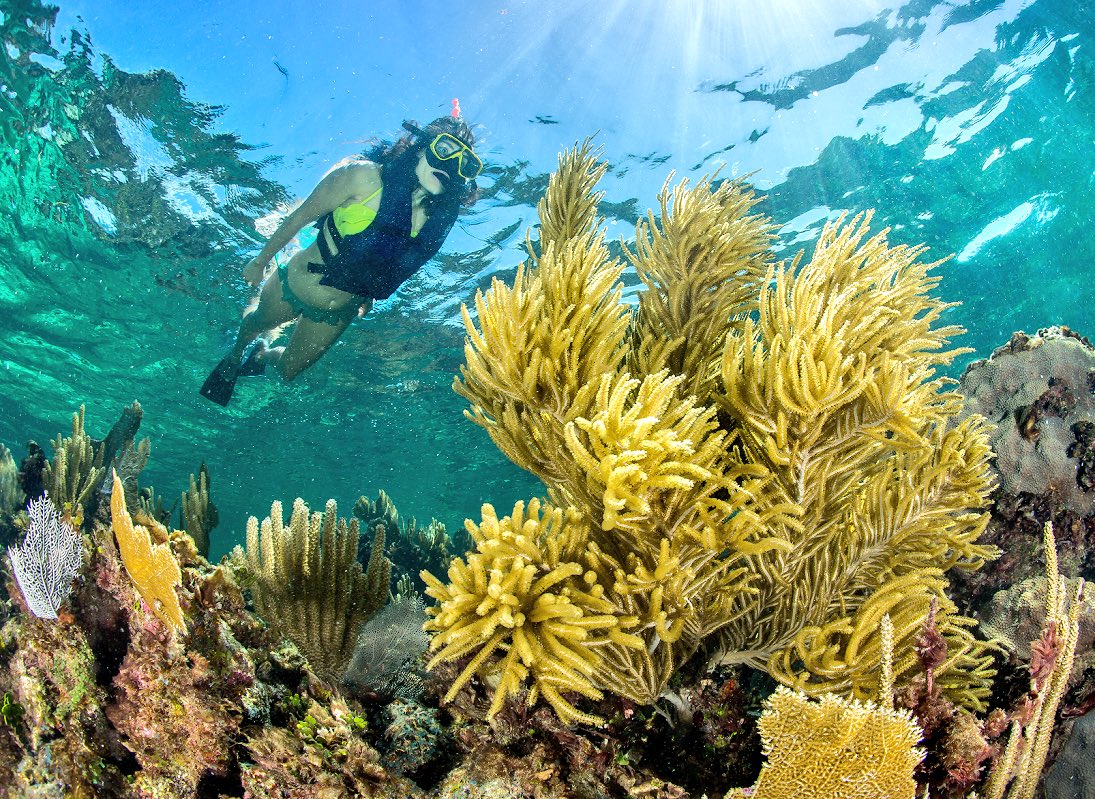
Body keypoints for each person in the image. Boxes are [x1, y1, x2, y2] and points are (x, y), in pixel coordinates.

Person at [200, 103, 482, 406]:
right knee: (255, 324)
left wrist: (369, 294)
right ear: (420, 146)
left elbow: (389, 261)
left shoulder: (435, 220)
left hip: (338, 312)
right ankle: (233, 356)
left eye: (464, 164)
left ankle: (263, 354)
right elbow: (300, 216)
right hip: (295, 284)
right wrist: (260, 260)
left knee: (287, 371)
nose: (450, 166)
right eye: (445, 149)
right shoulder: (363, 177)